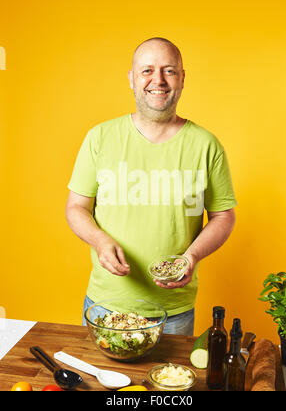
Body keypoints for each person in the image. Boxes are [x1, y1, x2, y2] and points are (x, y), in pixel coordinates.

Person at [66, 37, 237, 335]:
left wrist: (192, 256)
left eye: (169, 70)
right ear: (131, 78)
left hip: (174, 314)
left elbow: (224, 216)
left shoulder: (207, 146)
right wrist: (99, 240)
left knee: (168, 382)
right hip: (106, 305)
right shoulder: (99, 137)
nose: (157, 80)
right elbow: (76, 207)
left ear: (182, 78)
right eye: (147, 70)